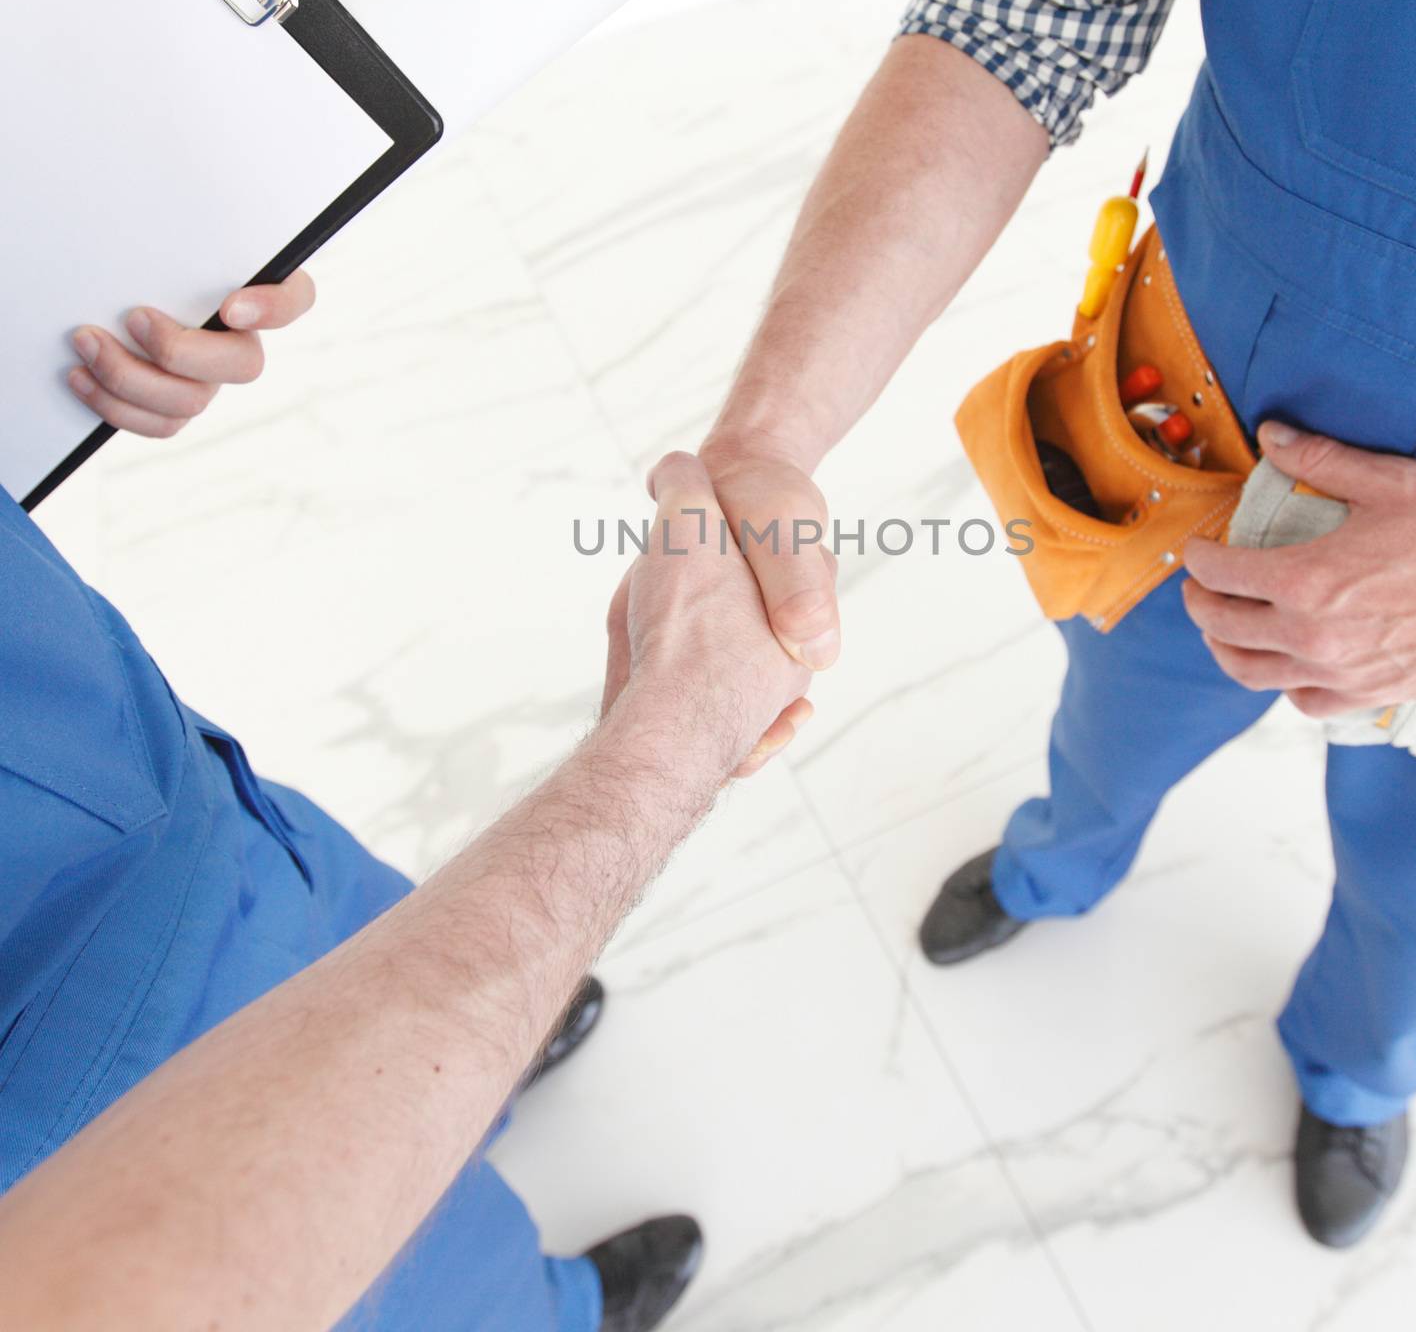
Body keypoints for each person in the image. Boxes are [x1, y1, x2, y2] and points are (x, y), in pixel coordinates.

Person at [697, 0, 1416, 1249]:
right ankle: (1062, 859)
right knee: (1113, 712)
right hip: (1182, 437)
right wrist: (768, 436)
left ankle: (1360, 1069)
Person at [2, 282, 812, 1328]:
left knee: (384, 924)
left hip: (163, 774)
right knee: (440, 1279)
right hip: (101, 1152)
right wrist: (671, 738)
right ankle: (559, 1308)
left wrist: (88, 317)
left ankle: (506, 1046)